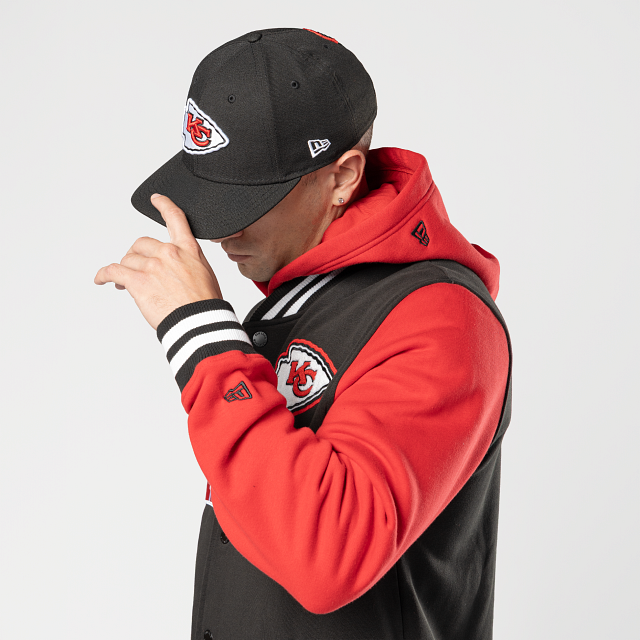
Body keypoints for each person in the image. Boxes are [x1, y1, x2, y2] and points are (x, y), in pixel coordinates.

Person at [95, 27, 512, 640]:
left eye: (249, 201)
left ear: (342, 177)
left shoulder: (443, 318)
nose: (223, 234)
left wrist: (200, 333)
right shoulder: (304, 302)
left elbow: (327, 558)